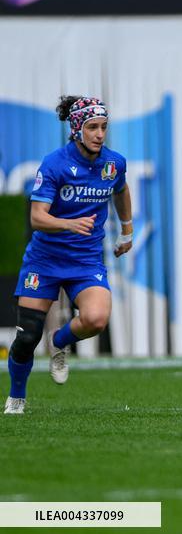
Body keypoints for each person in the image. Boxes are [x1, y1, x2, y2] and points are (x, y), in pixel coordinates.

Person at [4, 96, 133, 415]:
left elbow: (121, 190)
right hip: (44, 261)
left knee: (96, 319)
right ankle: (17, 398)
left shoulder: (113, 163)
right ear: (76, 129)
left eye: (103, 127)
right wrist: (68, 223)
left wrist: (127, 229)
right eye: (92, 127)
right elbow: (37, 217)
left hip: (85, 261)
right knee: (27, 336)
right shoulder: (54, 164)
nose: (99, 134)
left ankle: (60, 340)